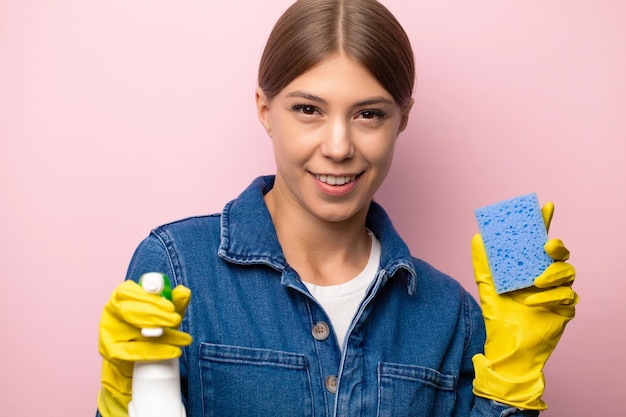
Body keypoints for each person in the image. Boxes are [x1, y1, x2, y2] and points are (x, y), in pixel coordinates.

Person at [96, 1, 578, 416]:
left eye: (369, 114)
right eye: (309, 109)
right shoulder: (176, 267)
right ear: (265, 109)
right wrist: (122, 396)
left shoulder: (451, 313)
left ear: (402, 119)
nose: (339, 146)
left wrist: (513, 377)